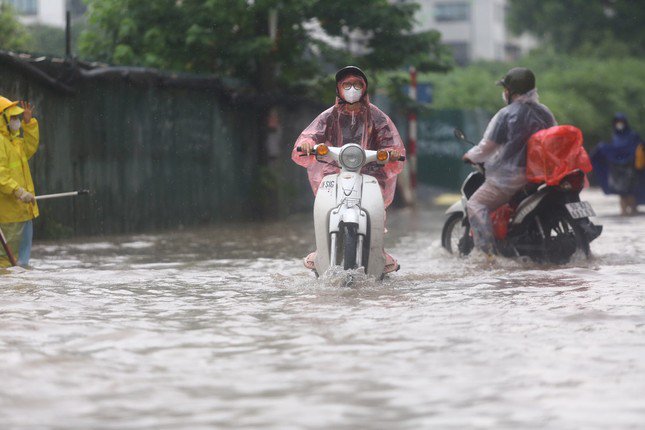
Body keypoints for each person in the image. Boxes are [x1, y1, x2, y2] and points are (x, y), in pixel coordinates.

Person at [292, 66, 405, 273]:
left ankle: (378, 250)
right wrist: (308, 143)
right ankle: (321, 250)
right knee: (323, 205)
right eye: (347, 85)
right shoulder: (328, 116)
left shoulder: (377, 117)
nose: (352, 89)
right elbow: (311, 135)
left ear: (364, 88)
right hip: (333, 171)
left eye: (357, 85)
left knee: (377, 209)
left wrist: (392, 152)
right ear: (339, 88)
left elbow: (390, 142)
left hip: (371, 172)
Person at [462, 67, 556, 255]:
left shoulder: (506, 115)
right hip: (542, 176)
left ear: (511, 92)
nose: (504, 93)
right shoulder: (545, 112)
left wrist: (470, 156)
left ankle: (486, 255)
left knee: (475, 204)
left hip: (511, 178)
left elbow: (487, 147)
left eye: (505, 89)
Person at [0, 96, 40, 268]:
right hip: (10, 215)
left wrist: (29, 123)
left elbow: (30, 147)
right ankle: (11, 294)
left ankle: (22, 293)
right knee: (8, 263)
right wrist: (19, 192)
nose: (16, 120)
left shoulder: (14, 141)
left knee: (21, 265)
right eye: (13, 117)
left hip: (24, 211)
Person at [591, 113, 644, 216]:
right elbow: (613, 150)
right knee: (621, 192)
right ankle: (624, 212)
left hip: (630, 167)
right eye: (617, 122)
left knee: (630, 190)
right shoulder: (615, 136)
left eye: (621, 122)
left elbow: (638, 149)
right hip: (617, 169)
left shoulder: (633, 135)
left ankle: (633, 210)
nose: (619, 124)